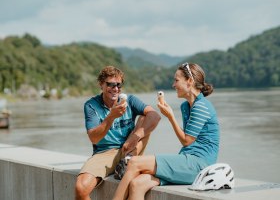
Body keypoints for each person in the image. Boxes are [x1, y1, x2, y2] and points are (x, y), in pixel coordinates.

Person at [113, 63, 220, 200]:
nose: (173, 85)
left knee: (134, 163)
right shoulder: (186, 106)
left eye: (176, 80)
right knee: (137, 184)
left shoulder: (201, 106)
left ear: (190, 81)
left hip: (199, 165)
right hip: (186, 161)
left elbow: (187, 141)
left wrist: (170, 117)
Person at [75, 66, 161, 200]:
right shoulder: (91, 105)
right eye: (110, 85)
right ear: (101, 85)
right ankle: (124, 166)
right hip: (105, 152)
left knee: (145, 117)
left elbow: (155, 116)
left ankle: (127, 162)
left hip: (130, 149)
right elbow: (94, 138)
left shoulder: (130, 100)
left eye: (119, 85)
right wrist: (111, 116)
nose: (115, 89)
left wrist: (134, 137)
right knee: (81, 188)